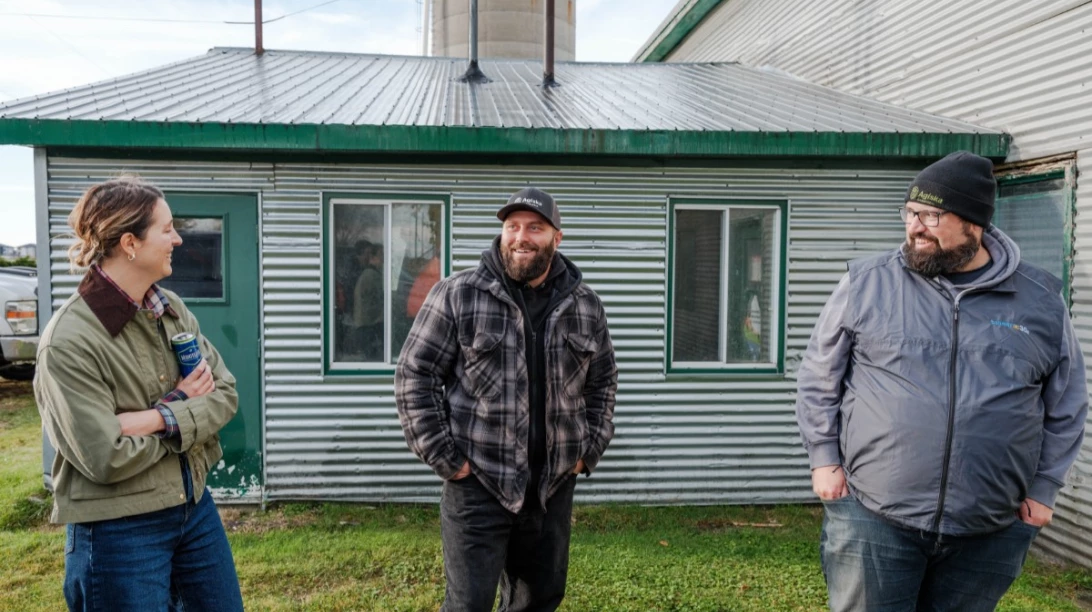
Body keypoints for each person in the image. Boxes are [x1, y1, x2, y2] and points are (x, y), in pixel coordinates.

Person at [795, 151, 1088, 612]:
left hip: (989, 529)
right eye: (910, 213)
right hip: (874, 516)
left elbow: (1067, 402)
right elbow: (819, 375)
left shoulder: (1040, 301)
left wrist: (1044, 487)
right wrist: (823, 459)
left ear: (974, 224)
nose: (915, 227)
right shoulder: (867, 282)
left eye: (931, 216)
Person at [395, 187, 618, 612]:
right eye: (512, 226)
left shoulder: (585, 305)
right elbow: (414, 375)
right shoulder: (458, 294)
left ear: (557, 238)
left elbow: (602, 381)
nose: (521, 237)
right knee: (468, 605)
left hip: (551, 489)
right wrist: (447, 459)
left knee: (538, 602)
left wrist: (588, 451)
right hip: (479, 484)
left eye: (535, 228)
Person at [34, 177, 244, 612]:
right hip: (118, 529)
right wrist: (184, 407)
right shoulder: (69, 340)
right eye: (167, 229)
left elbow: (223, 393)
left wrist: (156, 418)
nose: (178, 239)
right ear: (130, 243)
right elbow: (104, 456)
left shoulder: (170, 309)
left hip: (193, 509)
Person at [352, 240, 384, 361]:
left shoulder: (368, 274)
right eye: (381, 255)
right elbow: (380, 301)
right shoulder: (371, 275)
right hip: (368, 326)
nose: (384, 259)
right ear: (373, 257)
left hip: (366, 325)